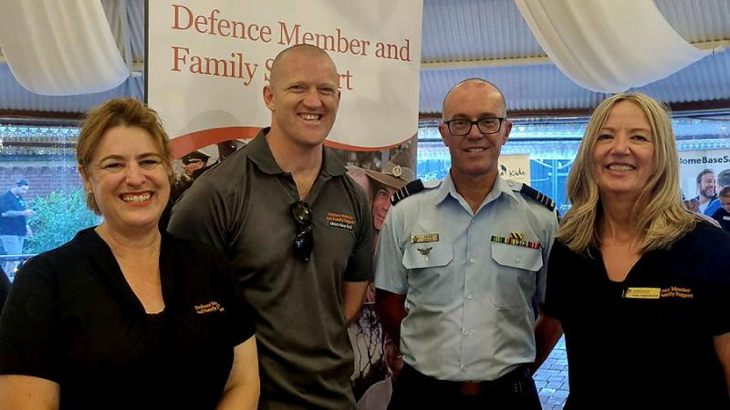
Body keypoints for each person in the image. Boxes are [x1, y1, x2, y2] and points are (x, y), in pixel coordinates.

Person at [0, 98, 260, 410]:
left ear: (167, 168)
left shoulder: (209, 265)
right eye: (114, 164)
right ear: (86, 178)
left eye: (149, 161)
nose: (135, 177)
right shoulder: (44, 281)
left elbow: (243, 382)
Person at [168, 44, 373, 410]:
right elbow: (180, 305)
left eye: (325, 90)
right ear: (270, 96)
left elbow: (350, 298)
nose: (314, 101)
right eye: (297, 88)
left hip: (336, 398)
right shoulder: (216, 192)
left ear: (338, 98)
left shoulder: (352, 196)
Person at [374, 78, 561, 409]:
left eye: (488, 121)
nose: (475, 133)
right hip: (422, 396)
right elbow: (388, 300)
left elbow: (554, 313)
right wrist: (424, 353)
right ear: (443, 133)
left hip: (509, 399)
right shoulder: (406, 212)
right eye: (460, 122)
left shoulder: (541, 218)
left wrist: (519, 370)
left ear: (506, 130)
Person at [544, 93, 730, 409]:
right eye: (605, 136)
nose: (619, 148)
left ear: (661, 155)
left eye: (639, 137)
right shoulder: (570, 247)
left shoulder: (708, 248)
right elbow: (547, 328)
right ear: (590, 152)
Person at [0, 178, 35, 274]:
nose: (24, 192)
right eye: (23, 189)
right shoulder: (5, 197)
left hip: (20, 231)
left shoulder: (20, 198)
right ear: (16, 186)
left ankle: (7, 277)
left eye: (26, 190)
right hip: (8, 232)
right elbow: (5, 213)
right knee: (14, 256)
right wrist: (23, 212)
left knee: (15, 256)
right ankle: (16, 277)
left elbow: (23, 214)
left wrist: (27, 227)